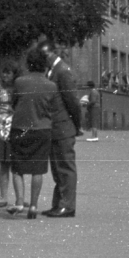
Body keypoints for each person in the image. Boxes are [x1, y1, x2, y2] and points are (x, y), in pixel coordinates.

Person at [9, 49, 59, 219]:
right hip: (42, 130)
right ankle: (34, 206)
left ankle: (20, 202)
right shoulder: (51, 86)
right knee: (38, 170)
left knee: (17, 168)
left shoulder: (19, 82)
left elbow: (13, 103)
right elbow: (53, 108)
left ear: (28, 63)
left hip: (20, 128)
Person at [40, 41, 83, 218]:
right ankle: (59, 204)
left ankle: (67, 206)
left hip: (64, 127)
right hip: (56, 127)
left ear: (51, 54)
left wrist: (76, 125)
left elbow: (73, 102)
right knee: (58, 169)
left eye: (44, 57)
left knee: (65, 167)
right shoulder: (52, 71)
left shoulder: (63, 71)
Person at [0, 66, 17, 212]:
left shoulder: (18, 89)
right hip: (1, 129)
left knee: (17, 165)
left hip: (15, 128)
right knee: (3, 164)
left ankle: (19, 197)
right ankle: (3, 197)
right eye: (4, 72)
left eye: (8, 72)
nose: (5, 75)